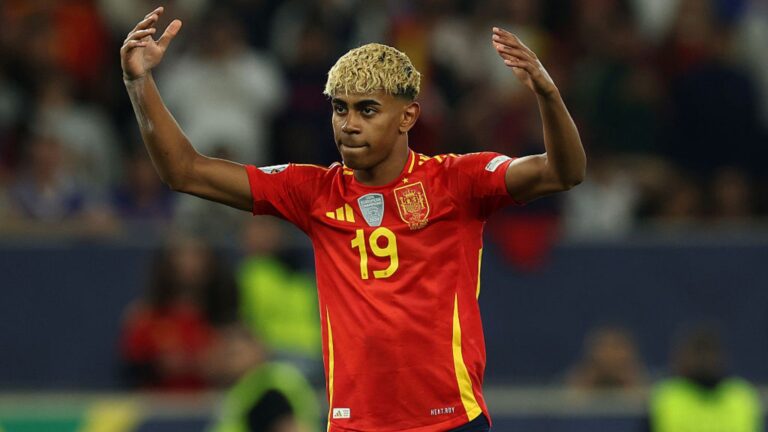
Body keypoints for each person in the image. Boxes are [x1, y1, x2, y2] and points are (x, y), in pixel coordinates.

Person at [120, 6, 586, 431]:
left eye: (367, 110)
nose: (349, 124)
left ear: (408, 117)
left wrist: (546, 93)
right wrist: (139, 82)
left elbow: (564, 172)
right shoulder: (312, 191)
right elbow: (185, 171)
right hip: (354, 425)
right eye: (339, 109)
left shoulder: (456, 181)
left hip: (450, 422)